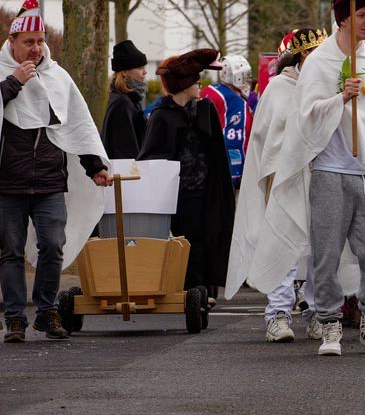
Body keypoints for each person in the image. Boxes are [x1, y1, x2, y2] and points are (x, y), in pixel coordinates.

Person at [244, 0, 365, 357]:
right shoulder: (319, 63)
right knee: (326, 253)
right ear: (344, 17)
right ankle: (330, 324)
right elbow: (306, 118)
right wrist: (340, 100)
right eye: (363, 15)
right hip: (329, 172)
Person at [0, 0, 111, 343]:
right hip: (9, 183)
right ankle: (15, 317)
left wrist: (94, 165)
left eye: (40, 41)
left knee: (53, 246)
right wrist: (13, 83)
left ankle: (46, 310)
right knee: (11, 251)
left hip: (49, 182)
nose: (36, 48)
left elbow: (76, 123)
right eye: (28, 42)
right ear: (12, 42)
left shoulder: (57, 76)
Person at [225, 28, 328, 342]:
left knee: (317, 250)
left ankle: (315, 312)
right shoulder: (280, 88)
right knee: (283, 243)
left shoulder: (327, 87)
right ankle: (278, 314)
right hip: (285, 178)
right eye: (310, 53)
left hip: (319, 177)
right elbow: (265, 136)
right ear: (300, 55)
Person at [138, 49, 235, 301]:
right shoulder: (161, 116)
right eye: (195, 80)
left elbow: (216, 152)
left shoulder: (205, 110)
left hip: (205, 190)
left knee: (204, 238)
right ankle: (187, 289)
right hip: (176, 195)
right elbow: (151, 158)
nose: (200, 84)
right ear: (184, 84)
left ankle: (202, 289)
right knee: (183, 242)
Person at [201, 54, 255, 189]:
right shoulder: (235, 101)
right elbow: (236, 140)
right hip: (226, 171)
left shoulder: (209, 90)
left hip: (206, 164)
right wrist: (237, 173)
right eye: (244, 74)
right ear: (236, 76)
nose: (247, 78)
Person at [101, 39, 148, 159]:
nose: (145, 72)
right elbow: (125, 149)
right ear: (125, 72)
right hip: (127, 173)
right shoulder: (122, 103)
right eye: (140, 68)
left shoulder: (129, 100)